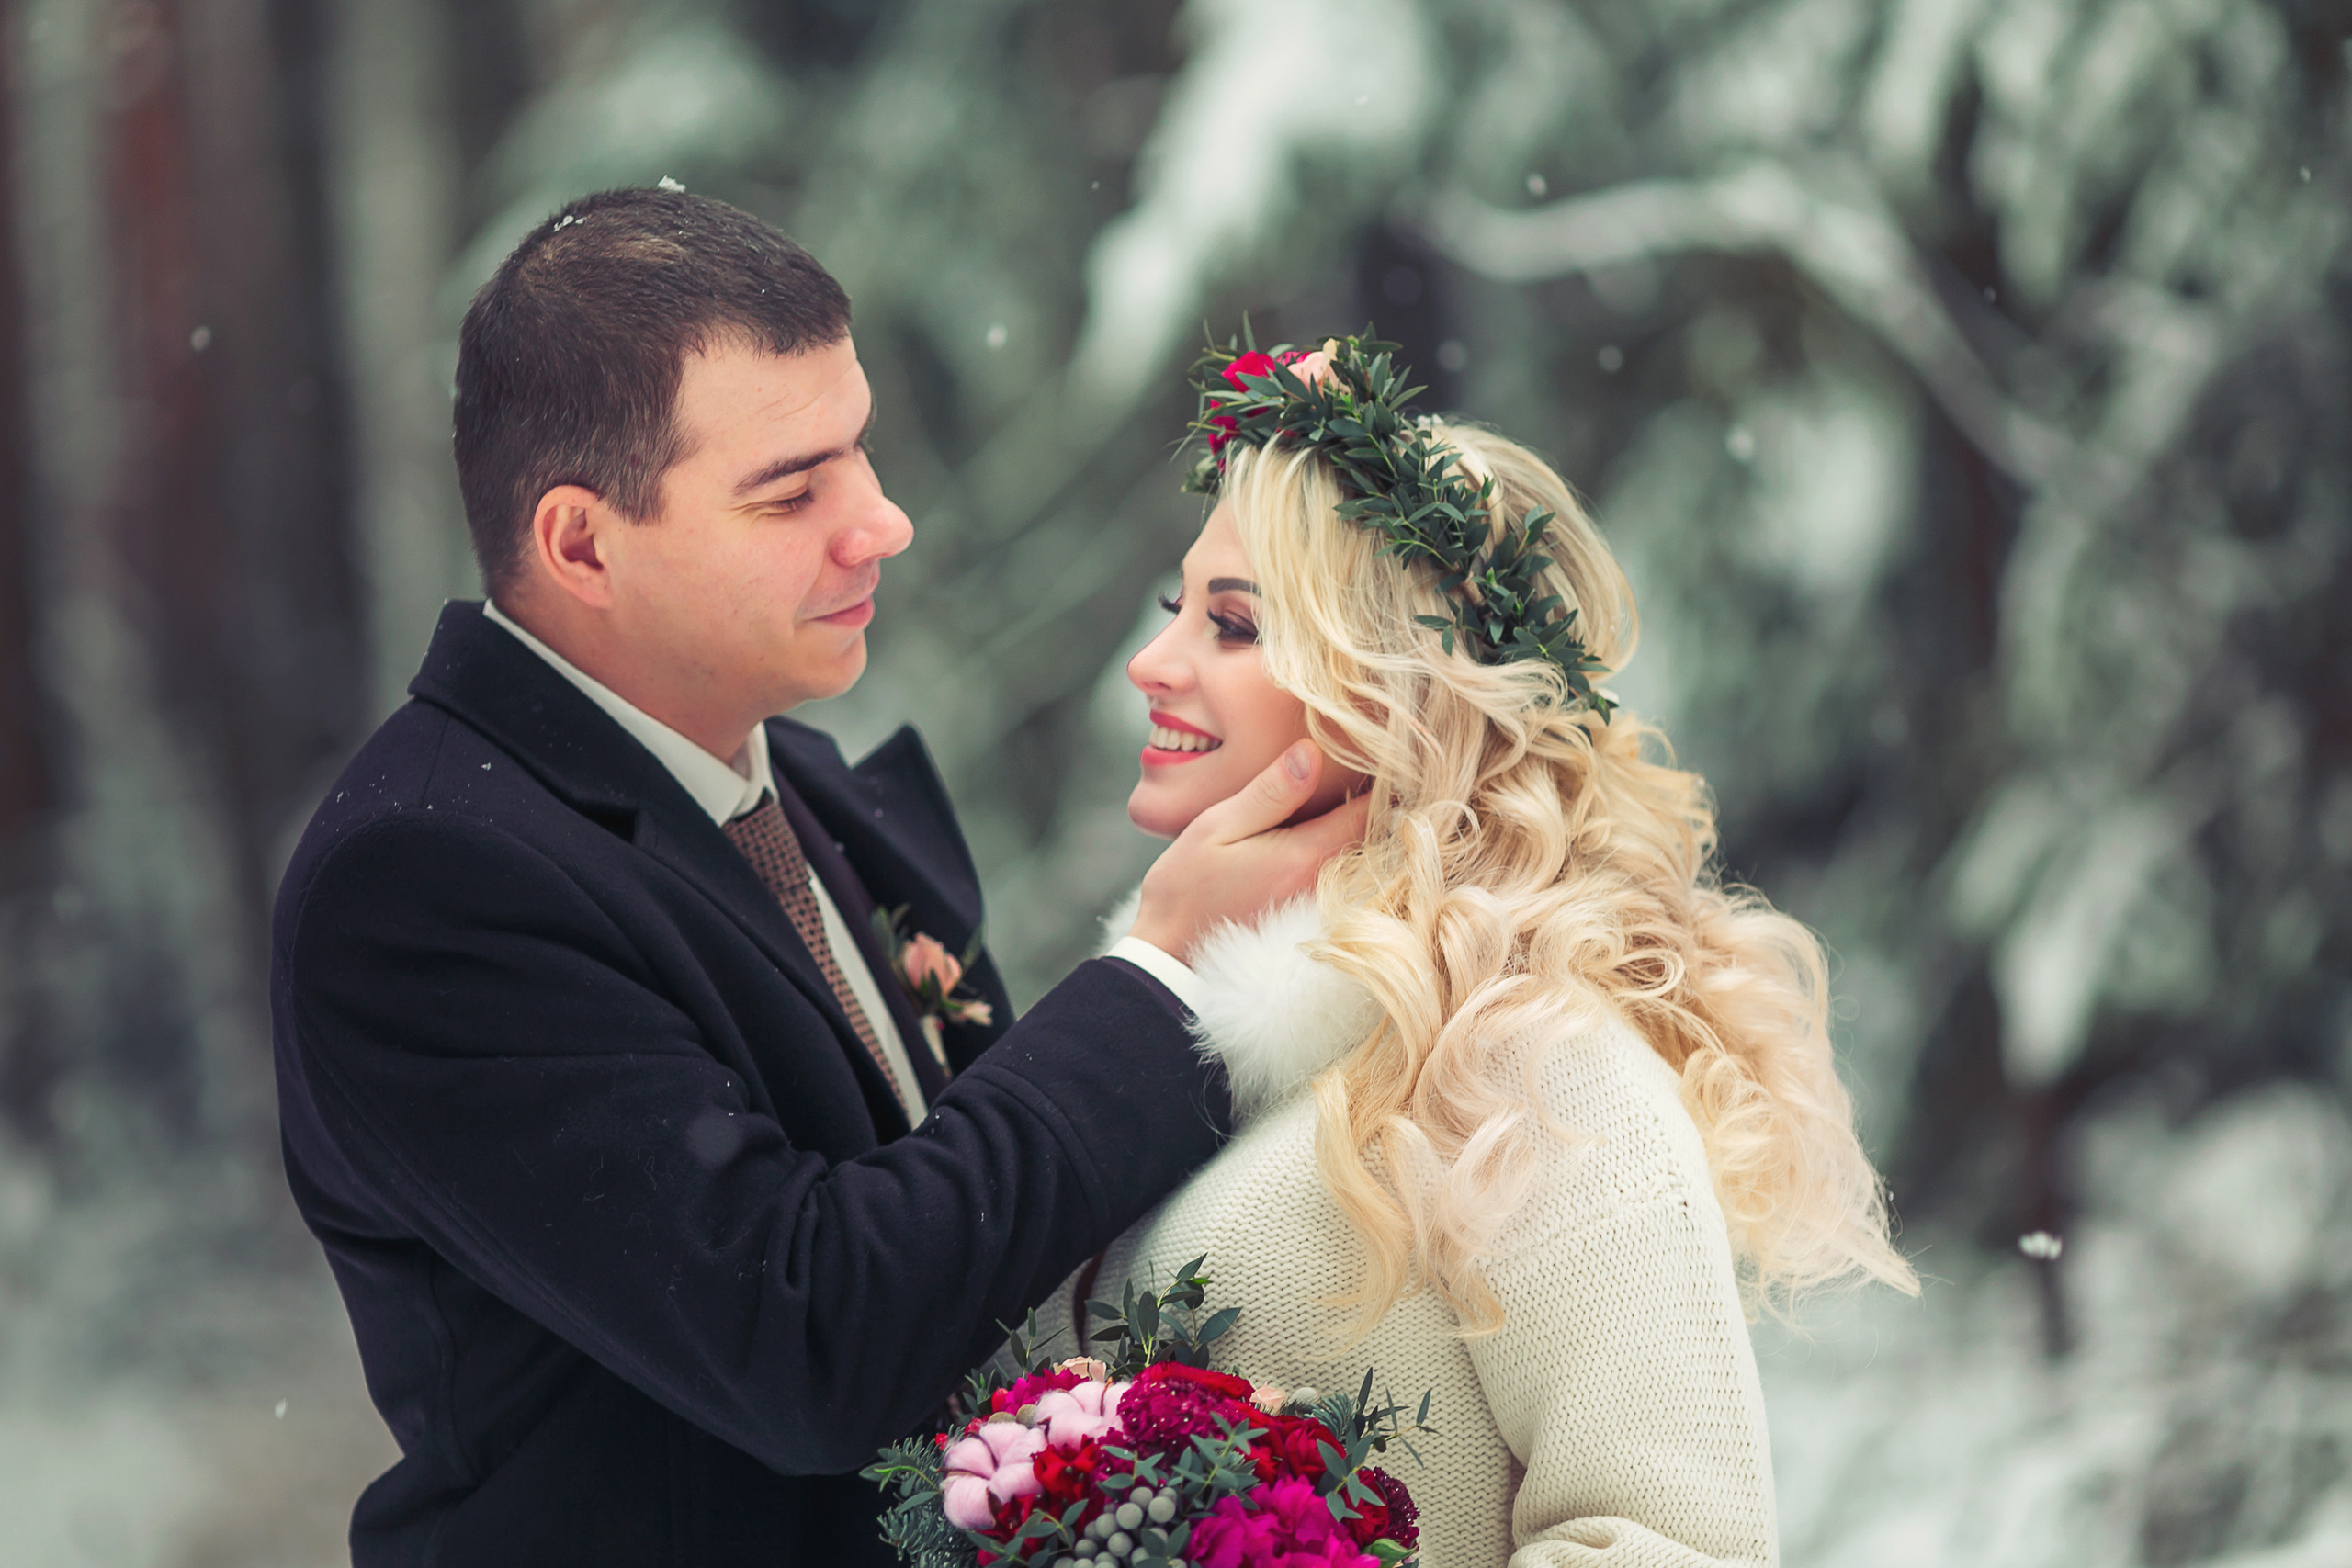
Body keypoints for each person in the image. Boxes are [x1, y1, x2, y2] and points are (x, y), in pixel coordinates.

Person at [268, 190, 1363, 1568]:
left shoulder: (814, 789)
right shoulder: (426, 883)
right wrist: (1155, 972)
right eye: (792, 491)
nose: (882, 524)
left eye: (858, 453)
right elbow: (812, 1339)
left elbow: (989, 1262)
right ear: (581, 544)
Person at [1038, 335, 1918, 1567]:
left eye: (1233, 626)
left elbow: (1675, 1544)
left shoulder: (1529, 1068)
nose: (1155, 661)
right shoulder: (1151, 1041)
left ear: (1385, 689)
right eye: (1174, 607)